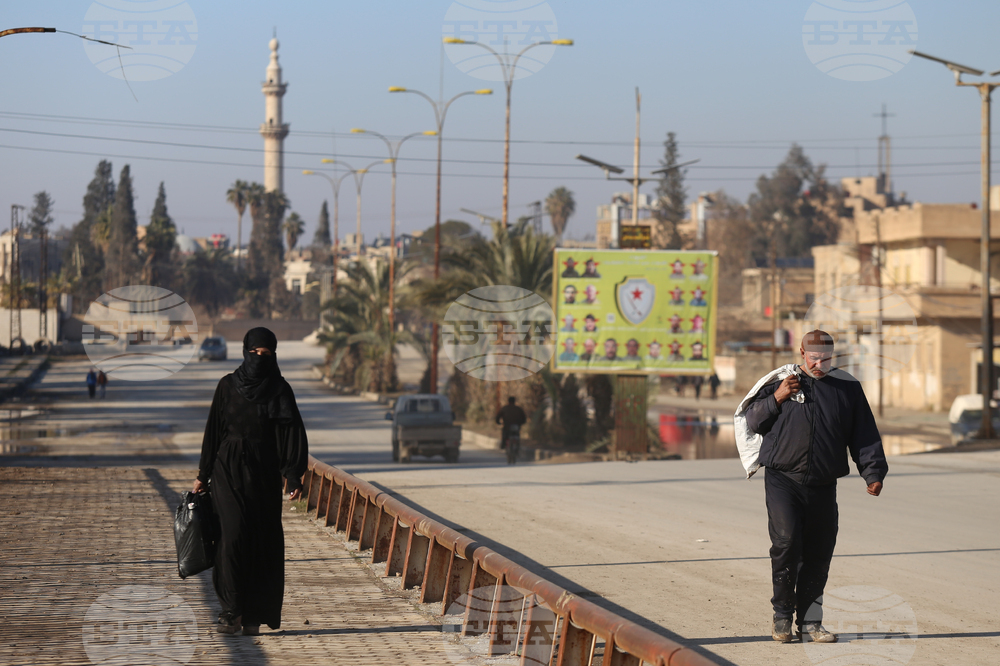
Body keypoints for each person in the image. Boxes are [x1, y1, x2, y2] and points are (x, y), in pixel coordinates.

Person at [736, 330, 888, 644]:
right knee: (787, 543)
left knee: (819, 552)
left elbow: (863, 433)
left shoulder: (846, 388)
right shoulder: (782, 382)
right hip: (783, 479)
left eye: (826, 359)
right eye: (814, 358)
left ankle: (810, 623)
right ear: (802, 353)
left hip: (823, 483)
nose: (819, 365)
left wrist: (872, 471)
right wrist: (777, 397)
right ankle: (782, 617)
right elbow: (752, 421)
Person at [193, 328, 309, 636]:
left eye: (265, 354)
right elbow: (213, 431)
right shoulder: (226, 386)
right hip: (226, 470)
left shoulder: (280, 390)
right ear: (245, 352)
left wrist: (293, 475)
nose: (259, 358)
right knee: (231, 536)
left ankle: (254, 615)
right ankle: (231, 610)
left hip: (264, 474)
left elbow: (291, 434)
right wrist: (203, 474)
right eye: (254, 353)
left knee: (261, 540)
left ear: (273, 355)